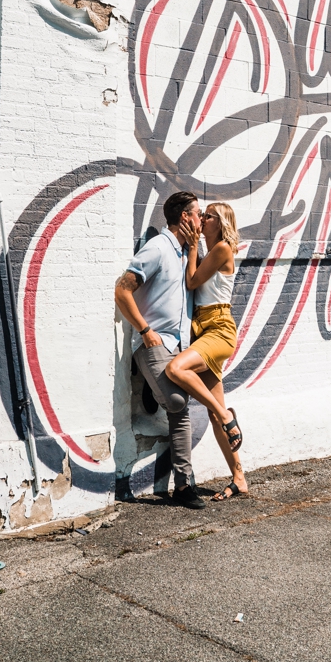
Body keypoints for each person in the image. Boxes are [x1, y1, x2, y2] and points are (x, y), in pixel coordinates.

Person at [115, 190, 206, 509]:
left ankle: (182, 486)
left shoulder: (185, 253)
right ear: (185, 217)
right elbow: (123, 290)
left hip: (179, 347)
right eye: (199, 213)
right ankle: (184, 485)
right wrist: (145, 330)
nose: (202, 219)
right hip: (155, 343)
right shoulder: (158, 248)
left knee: (184, 403)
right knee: (178, 403)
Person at [165, 202, 247, 500]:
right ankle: (239, 478)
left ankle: (226, 416)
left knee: (176, 369)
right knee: (214, 415)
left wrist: (192, 246)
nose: (202, 219)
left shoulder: (223, 249)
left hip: (219, 328)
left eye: (207, 215)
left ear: (220, 222)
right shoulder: (209, 252)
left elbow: (191, 281)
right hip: (203, 327)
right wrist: (194, 247)